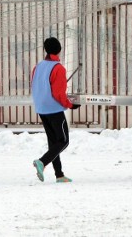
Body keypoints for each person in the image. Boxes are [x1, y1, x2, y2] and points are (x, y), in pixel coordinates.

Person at [31, 37, 80, 183]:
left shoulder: (38, 66)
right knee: (63, 141)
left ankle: (59, 174)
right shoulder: (58, 68)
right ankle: (42, 162)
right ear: (59, 50)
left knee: (53, 142)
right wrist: (71, 105)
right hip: (54, 109)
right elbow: (58, 94)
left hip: (41, 108)